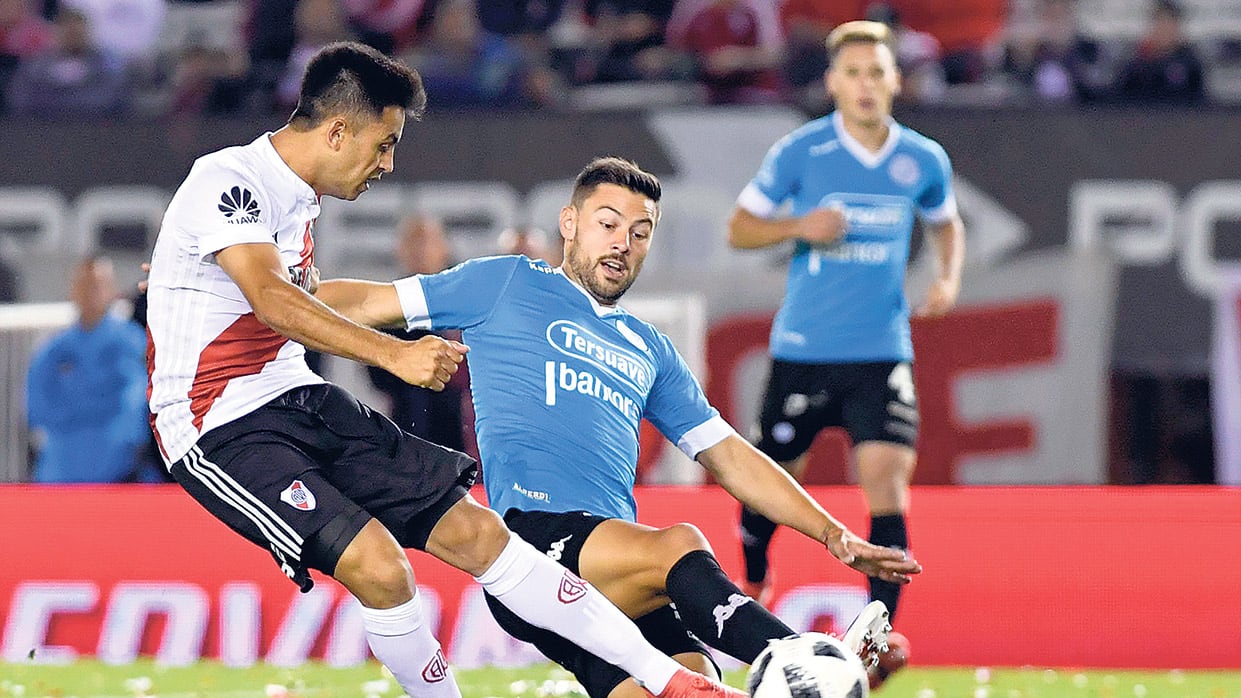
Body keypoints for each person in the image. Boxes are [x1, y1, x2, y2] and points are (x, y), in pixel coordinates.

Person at [145, 41, 744, 698]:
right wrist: (393, 351)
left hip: (295, 396)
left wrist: (181, 272)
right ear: (338, 129)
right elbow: (272, 299)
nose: (388, 163)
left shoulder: (298, 202)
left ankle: (669, 681)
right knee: (379, 566)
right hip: (216, 424)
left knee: (479, 531)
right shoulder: (229, 178)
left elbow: (286, 290)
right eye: (383, 142)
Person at [315, 156, 921, 698]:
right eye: (608, 224)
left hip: (616, 572)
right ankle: (798, 665)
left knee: (695, 682)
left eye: (640, 232)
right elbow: (370, 301)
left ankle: (798, 672)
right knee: (680, 543)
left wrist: (834, 535)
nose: (622, 244)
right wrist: (271, 295)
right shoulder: (506, 282)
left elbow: (731, 456)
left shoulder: (649, 347)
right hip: (536, 544)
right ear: (570, 223)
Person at [726, 20, 965, 688]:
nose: (864, 85)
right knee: (772, 481)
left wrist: (947, 279)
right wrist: (798, 225)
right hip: (803, 348)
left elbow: (947, 222)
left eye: (875, 72)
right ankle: (752, 581)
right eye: (851, 73)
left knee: (886, 482)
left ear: (894, 80)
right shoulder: (801, 152)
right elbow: (739, 228)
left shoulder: (921, 159)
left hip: (880, 350)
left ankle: (879, 637)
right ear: (832, 83)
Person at [26, 254, 158, 483]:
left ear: (111, 289)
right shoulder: (53, 350)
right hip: (62, 467)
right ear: (73, 290)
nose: (91, 293)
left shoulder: (133, 342)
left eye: (98, 285)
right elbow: (36, 407)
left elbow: (138, 403)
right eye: (84, 285)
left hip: (121, 467)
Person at [366, 213, 470, 453]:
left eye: (428, 241)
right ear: (400, 249)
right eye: (414, 242)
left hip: (463, 428)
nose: (421, 250)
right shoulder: (388, 305)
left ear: (444, 247)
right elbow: (377, 375)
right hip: (408, 428)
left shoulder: (465, 300)